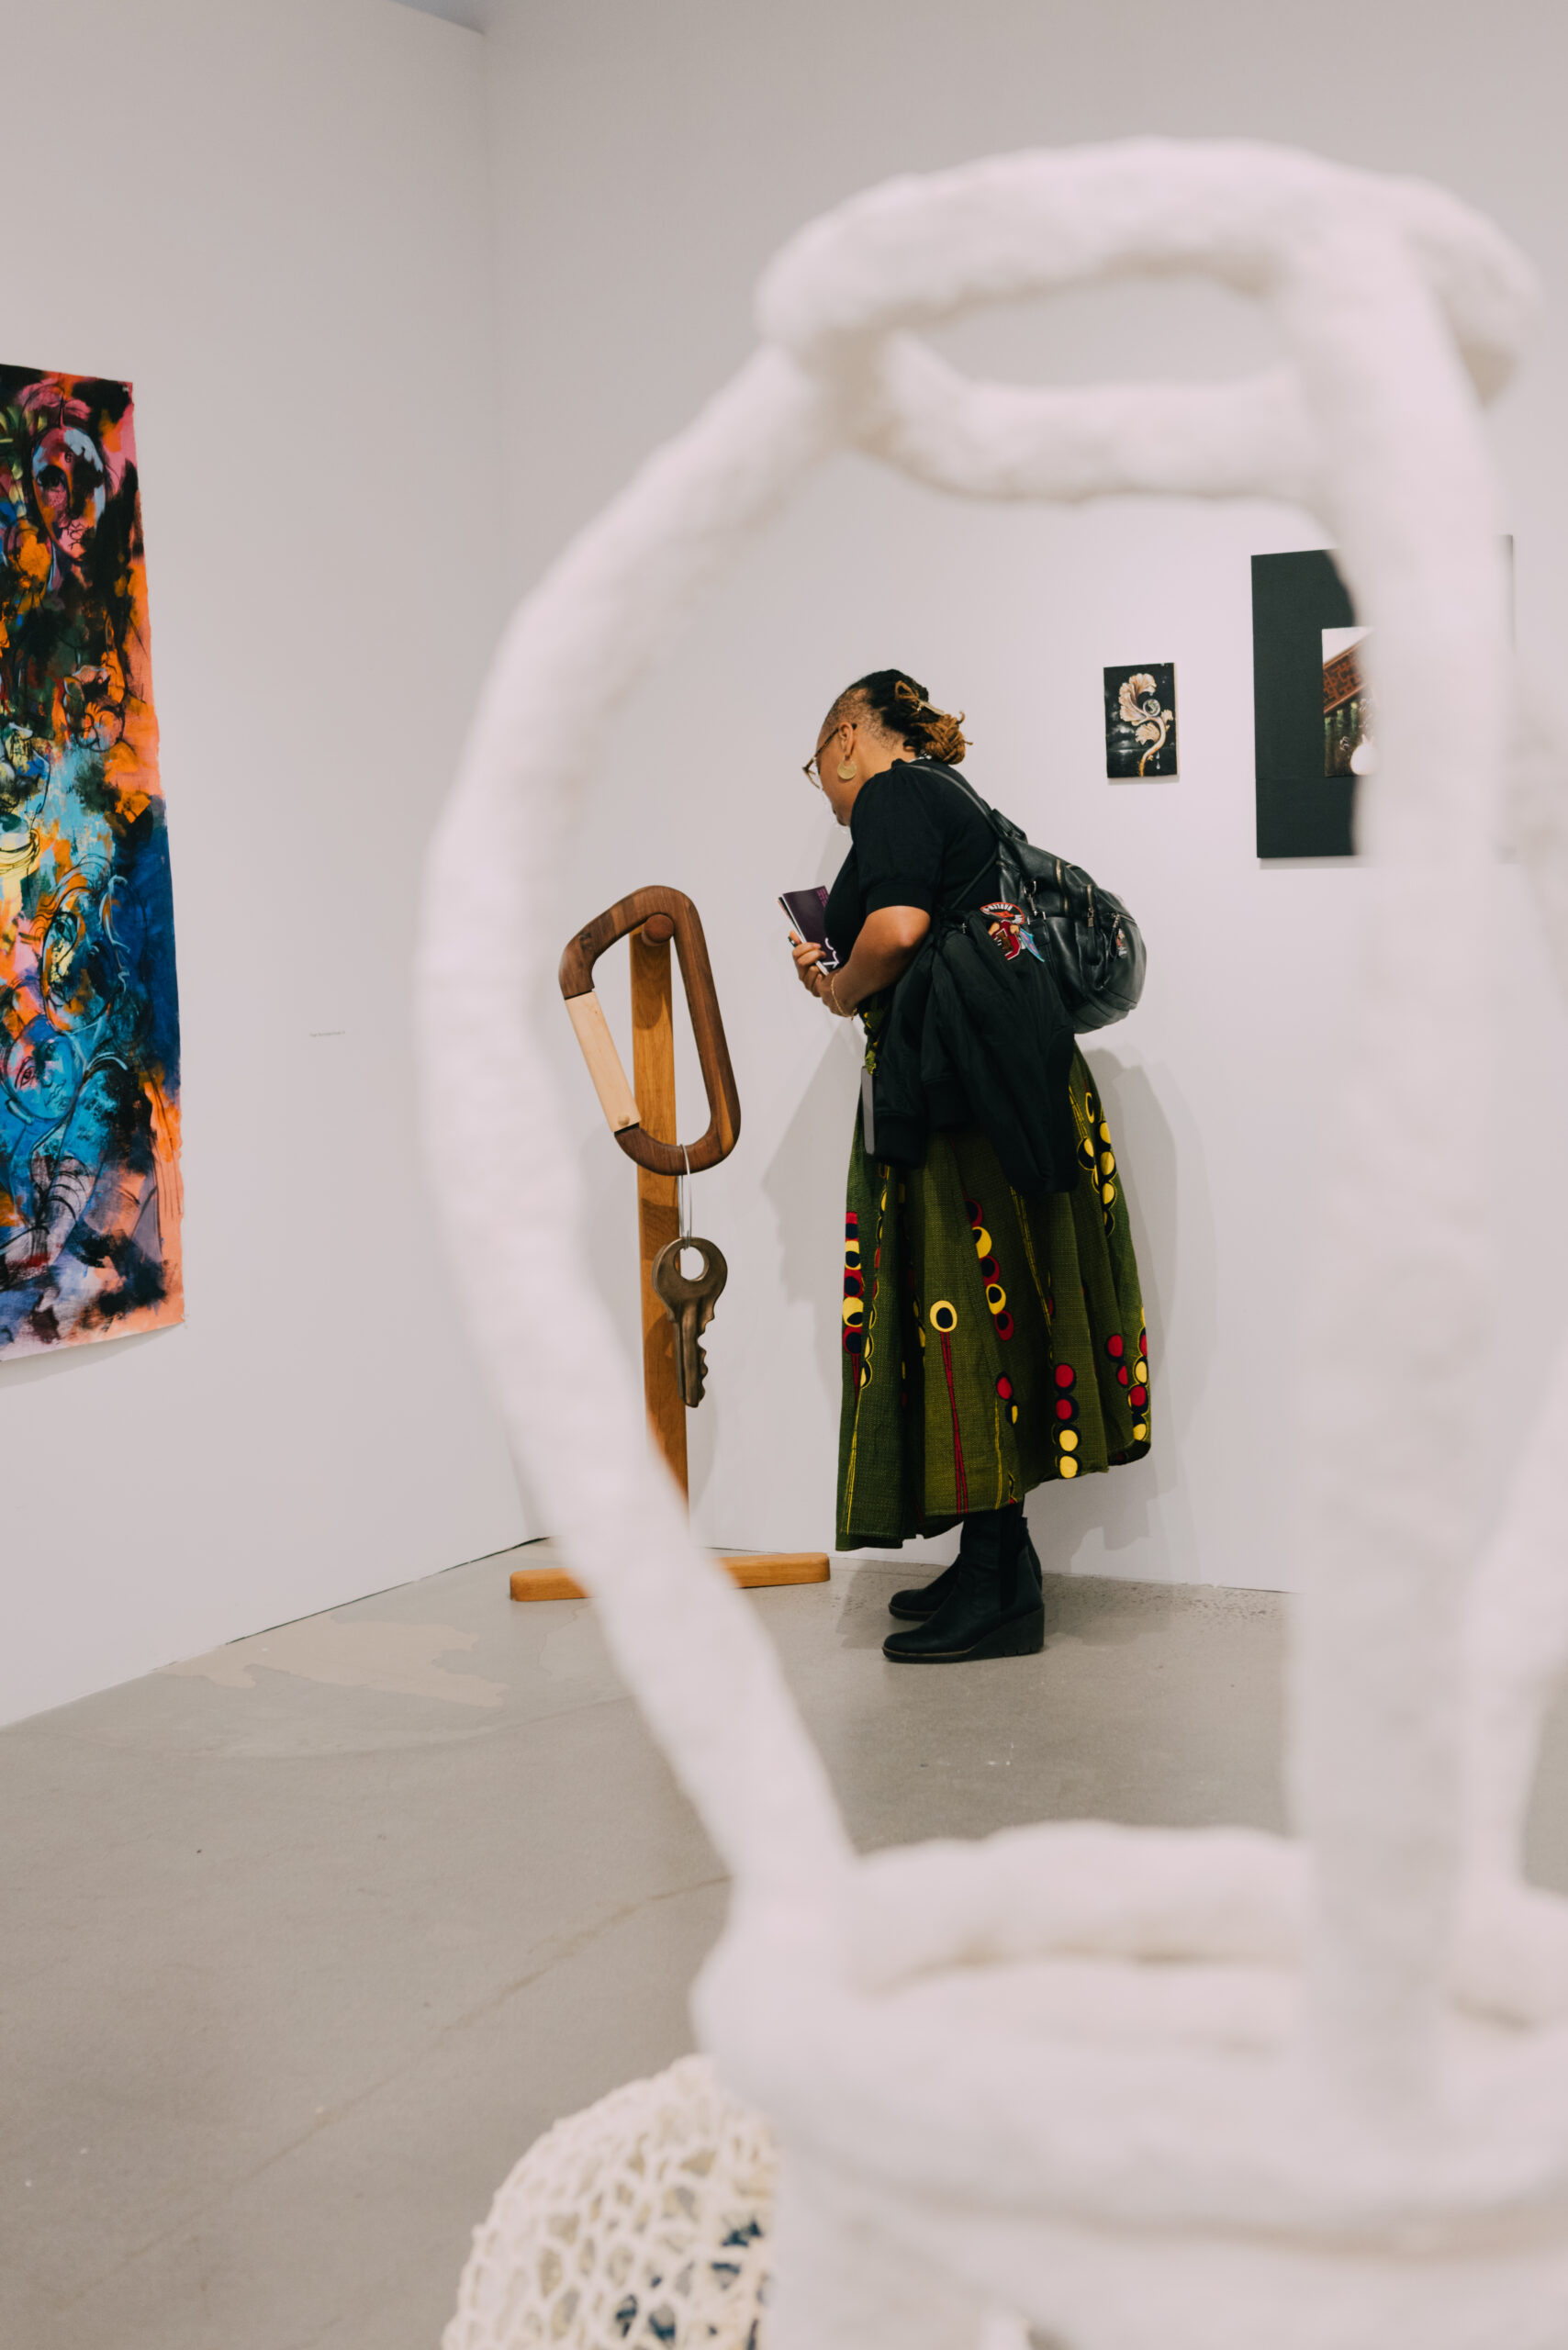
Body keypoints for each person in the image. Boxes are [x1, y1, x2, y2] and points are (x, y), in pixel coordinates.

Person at [790, 668, 1150, 1664]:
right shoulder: (956, 798)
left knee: (967, 1309)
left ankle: (998, 1588)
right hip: (998, 1079)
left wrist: (836, 988)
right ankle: (999, 1563)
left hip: (965, 1096)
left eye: (817, 764)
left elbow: (900, 930)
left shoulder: (895, 793)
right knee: (993, 1309)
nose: (825, 790)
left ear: (848, 735)